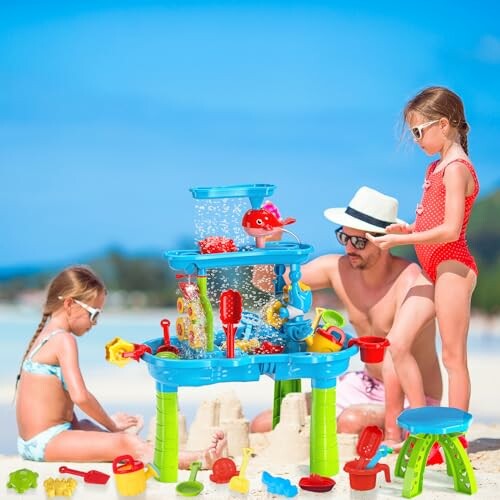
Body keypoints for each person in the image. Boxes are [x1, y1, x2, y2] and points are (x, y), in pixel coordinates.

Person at [250, 187, 442, 446]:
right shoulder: (337, 269)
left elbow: (397, 355)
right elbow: (267, 283)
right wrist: (266, 241)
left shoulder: (411, 281)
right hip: (364, 384)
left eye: (359, 242)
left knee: (350, 422)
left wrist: (403, 433)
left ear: (384, 241)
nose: (350, 248)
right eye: (344, 238)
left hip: (413, 396)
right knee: (264, 423)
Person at [15, 265, 226, 466]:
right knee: (125, 443)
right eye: (94, 313)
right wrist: (112, 426)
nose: (94, 323)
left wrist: (104, 427)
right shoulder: (63, 340)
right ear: (69, 304)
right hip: (46, 441)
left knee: (99, 432)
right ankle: (199, 459)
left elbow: (56, 403)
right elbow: (80, 397)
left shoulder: (44, 337)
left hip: (40, 437)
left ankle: (155, 450)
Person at [367, 86, 478, 415]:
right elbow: (434, 222)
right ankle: (421, 421)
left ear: (443, 125)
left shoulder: (457, 168)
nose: (416, 140)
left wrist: (403, 241)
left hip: (453, 268)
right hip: (433, 269)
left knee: (453, 356)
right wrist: (409, 229)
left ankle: (455, 435)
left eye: (418, 131)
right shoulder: (435, 168)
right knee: (398, 343)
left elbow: (451, 231)